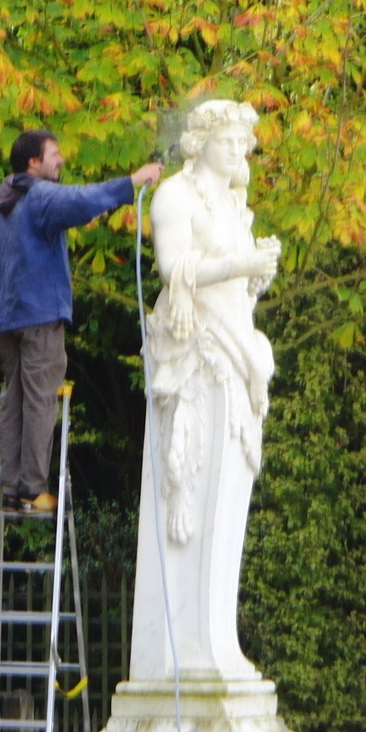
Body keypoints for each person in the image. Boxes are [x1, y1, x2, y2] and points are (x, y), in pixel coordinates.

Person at [128, 99, 280, 682]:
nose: (237, 151)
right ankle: (187, 654)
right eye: (226, 140)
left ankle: (217, 641)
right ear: (201, 143)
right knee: (192, 486)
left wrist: (253, 272)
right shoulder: (176, 196)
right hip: (194, 352)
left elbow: (235, 287)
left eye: (243, 142)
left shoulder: (234, 206)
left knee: (229, 494)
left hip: (235, 344)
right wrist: (241, 261)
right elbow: (173, 268)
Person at [0, 130, 162, 513]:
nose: (60, 160)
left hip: (5, 320)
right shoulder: (39, 197)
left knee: (15, 399)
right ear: (33, 162)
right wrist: (131, 182)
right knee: (41, 400)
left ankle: (11, 489)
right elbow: (81, 201)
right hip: (40, 316)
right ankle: (32, 489)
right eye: (54, 154)